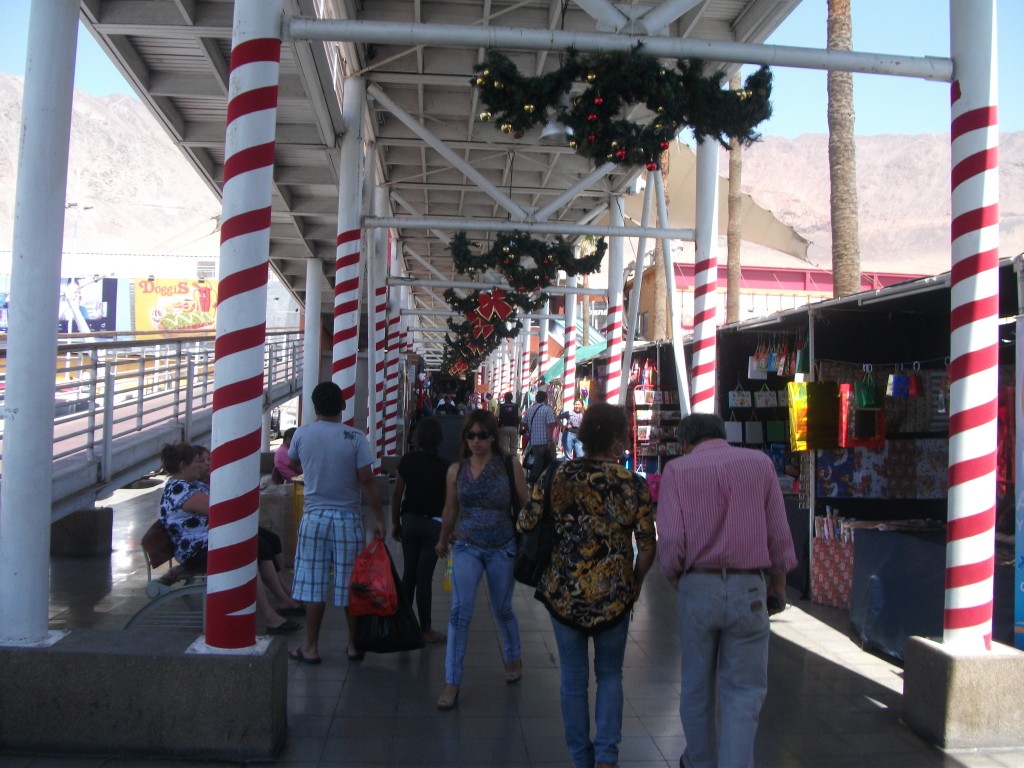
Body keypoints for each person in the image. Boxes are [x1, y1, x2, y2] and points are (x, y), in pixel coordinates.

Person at [518, 402, 656, 768]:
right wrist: (636, 582)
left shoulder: (556, 476)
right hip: (614, 595)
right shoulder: (633, 485)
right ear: (613, 439)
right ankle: (607, 756)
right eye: (624, 435)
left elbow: (526, 522)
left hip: (563, 593)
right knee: (610, 675)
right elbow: (647, 547)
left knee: (573, 680)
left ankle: (581, 757)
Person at [657, 413, 798, 768]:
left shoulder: (678, 470)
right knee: (744, 692)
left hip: (698, 584)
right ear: (723, 434)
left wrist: (676, 576)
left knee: (695, 686)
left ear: (686, 443)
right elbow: (779, 533)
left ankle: (699, 761)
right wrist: (777, 584)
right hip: (748, 589)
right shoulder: (759, 464)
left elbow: (671, 539)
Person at [434, 409, 529, 710]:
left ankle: (513, 656)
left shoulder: (509, 465)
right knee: (459, 612)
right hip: (467, 545)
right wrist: (443, 537)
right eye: (471, 435)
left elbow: (526, 503)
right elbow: (450, 509)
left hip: (503, 546)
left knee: (502, 608)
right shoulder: (456, 471)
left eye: (483, 435)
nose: (477, 441)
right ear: (465, 438)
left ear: (493, 437)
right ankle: (452, 680)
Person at [287, 382, 386, 664]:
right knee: (349, 584)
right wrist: (379, 518)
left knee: (313, 585)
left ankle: (311, 647)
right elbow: (366, 480)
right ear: (343, 406)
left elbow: (292, 464)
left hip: (314, 518)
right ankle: (354, 645)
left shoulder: (302, 435)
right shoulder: (355, 437)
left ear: (315, 407)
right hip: (347, 519)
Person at [158, 442, 302, 633]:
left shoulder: (190, 485)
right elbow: (221, 510)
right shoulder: (181, 490)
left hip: (207, 540)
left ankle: (282, 597)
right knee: (247, 550)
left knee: (264, 541)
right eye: (197, 462)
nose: (202, 465)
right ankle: (269, 615)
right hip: (196, 550)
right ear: (183, 467)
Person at [194, 445, 303, 615]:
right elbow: (220, 510)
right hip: (204, 541)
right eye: (201, 461)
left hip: (215, 533)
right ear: (183, 466)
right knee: (255, 548)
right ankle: (274, 606)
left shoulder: (205, 482)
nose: (207, 464)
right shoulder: (188, 489)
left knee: (271, 540)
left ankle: (283, 590)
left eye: (208, 459)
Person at [391, 416, 450, 644]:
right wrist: (448, 530)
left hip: (411, 522)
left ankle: (401, 626)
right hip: (433, 525)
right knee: (424, 577)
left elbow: (397, 493)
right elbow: (449, 502)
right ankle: (425, 629)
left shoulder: (407, 461)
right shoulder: (445, 465)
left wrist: (395, 522)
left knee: (409, 575)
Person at [522, 389, 557, 484]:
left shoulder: (530, 409)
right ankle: (539, 480)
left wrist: (530, 430)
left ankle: (536, 481)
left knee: (538, 460)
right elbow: (550, 425)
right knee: (551, 462)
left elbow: (523, 422)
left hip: (534, 441)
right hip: (545, 441)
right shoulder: (547, 409)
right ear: (545, 399)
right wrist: (550, 440)